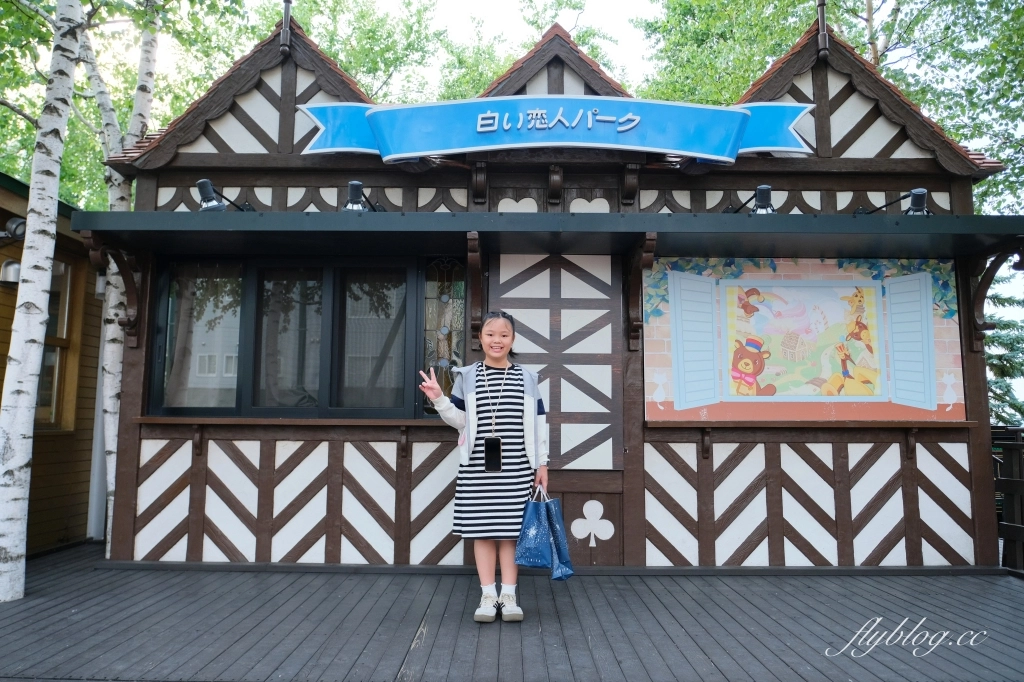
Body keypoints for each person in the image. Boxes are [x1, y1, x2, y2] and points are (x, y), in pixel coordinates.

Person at [418, 311, 548, 622]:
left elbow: (540, 424)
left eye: (504, 334)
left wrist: (542, 464)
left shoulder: (527, 379)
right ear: (480, 338)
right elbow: (459, 421)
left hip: (517, 468)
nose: (497, 340)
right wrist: (439, 399)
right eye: (491, 334)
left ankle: (510, 596)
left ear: (512, 339)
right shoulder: (467, 376)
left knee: (511, 534)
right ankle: (488, 595)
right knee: (483, 532)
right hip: (478, 468)